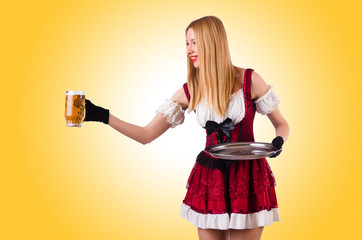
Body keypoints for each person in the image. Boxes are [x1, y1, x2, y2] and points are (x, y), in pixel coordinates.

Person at [84, 16, 289, 240]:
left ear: (213, 42)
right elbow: (146, 135)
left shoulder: (250, 80)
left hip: (247, 175)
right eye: (187, 43)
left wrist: (278, 141)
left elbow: (281, 124)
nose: (190, 50)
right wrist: (103, 116)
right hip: (211, 178)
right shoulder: (190, 90)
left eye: (194, 42)